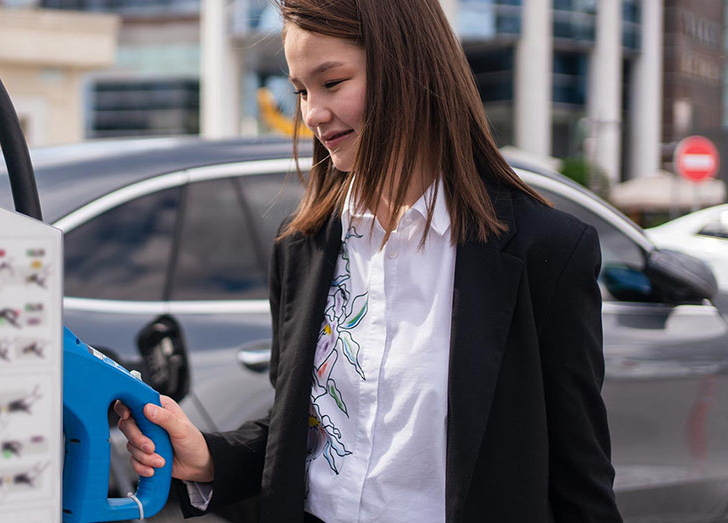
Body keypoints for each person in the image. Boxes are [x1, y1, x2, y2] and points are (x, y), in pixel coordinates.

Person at [114, 0, 622, 521]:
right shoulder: (302, 249)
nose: (312, 113)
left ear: (408, 67)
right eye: (301, 91)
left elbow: (578, 479)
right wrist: (209, 457)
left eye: (332, 83)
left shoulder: (546, 251)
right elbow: (304, 432)